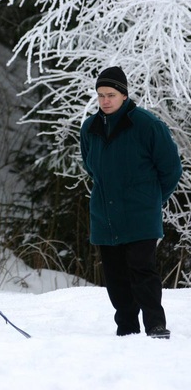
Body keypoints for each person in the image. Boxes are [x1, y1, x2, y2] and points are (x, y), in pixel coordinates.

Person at [80, 66, 182, 339]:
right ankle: (126, 329)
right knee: (115, 277)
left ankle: (155, 326)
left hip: (140, 215)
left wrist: (151, 200)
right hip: (105, 216)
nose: (105, 101)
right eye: (100, 95)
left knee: (142, 270)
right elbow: (91, 167)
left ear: (124, 95)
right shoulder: (90, 128)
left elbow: (171, 169)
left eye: (111, 94)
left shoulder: (148, 125)